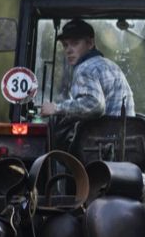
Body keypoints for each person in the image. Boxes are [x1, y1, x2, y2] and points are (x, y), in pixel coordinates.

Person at [40, 19, 134, 148]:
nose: (68, 50)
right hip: (126, 145)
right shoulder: (111, 66)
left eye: (75, 43)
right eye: (65, 45)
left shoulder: (85, 68)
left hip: (101, 147)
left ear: (90, 44)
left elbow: (94, 105)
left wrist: (56, 108)